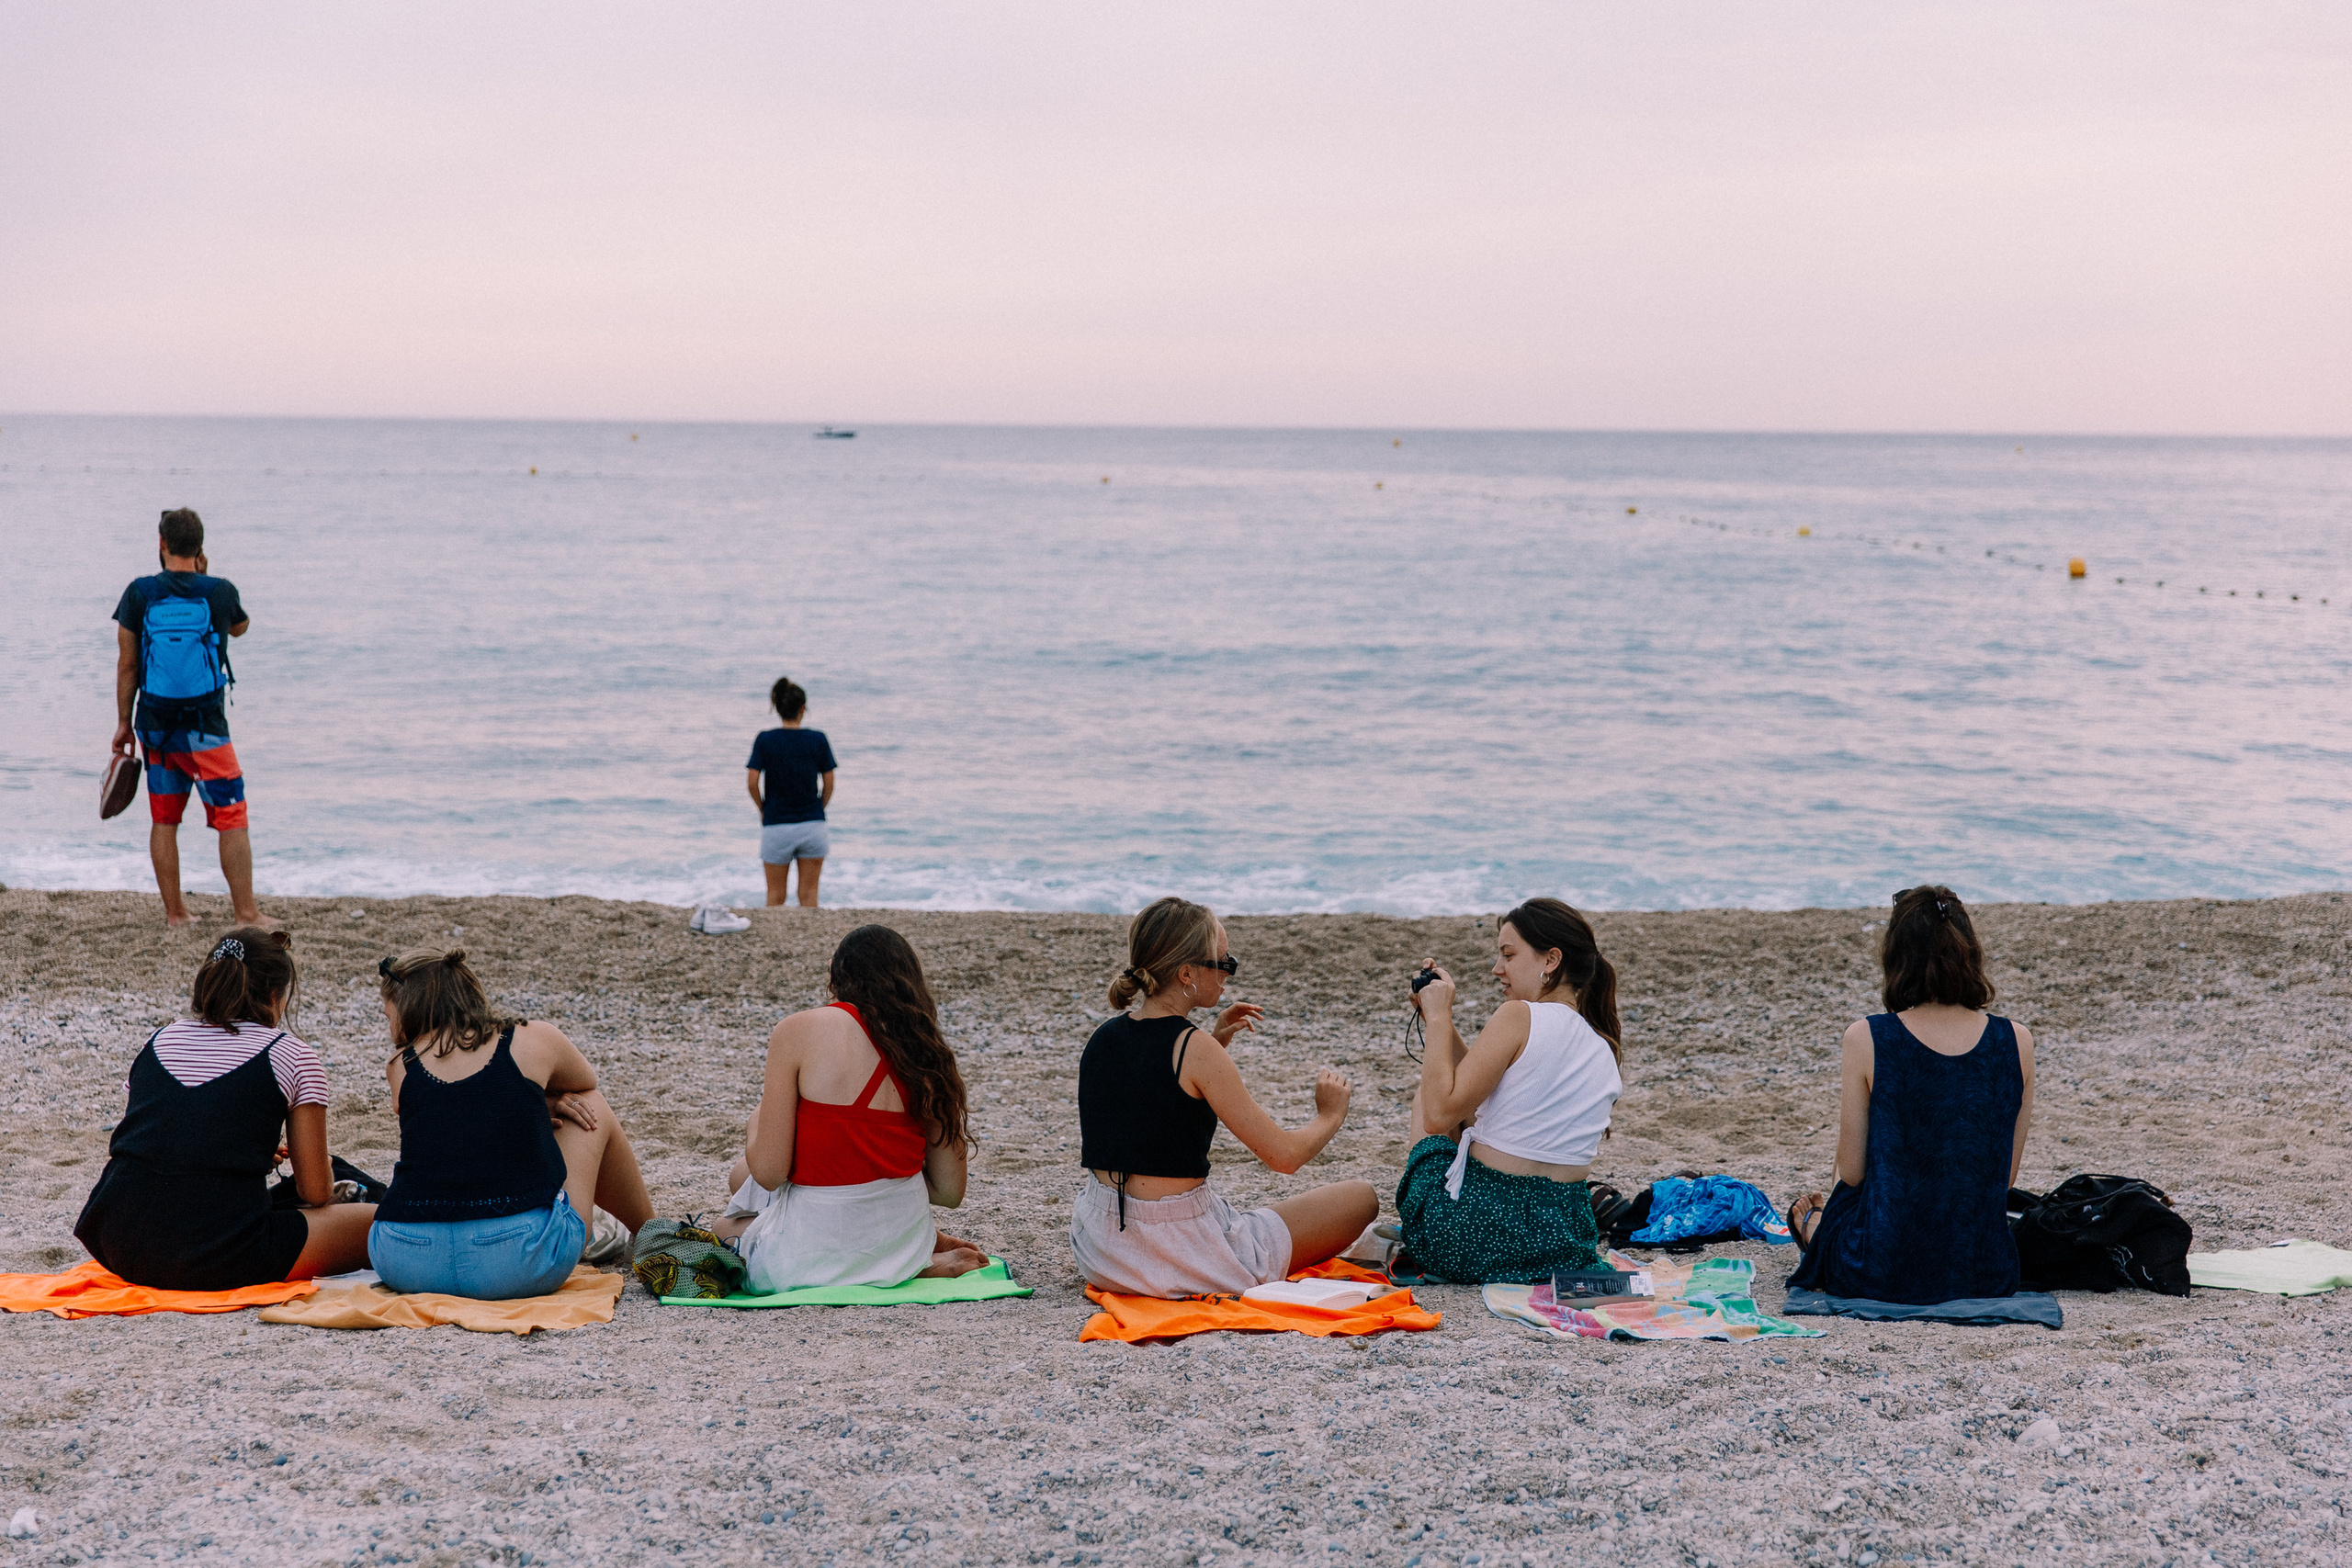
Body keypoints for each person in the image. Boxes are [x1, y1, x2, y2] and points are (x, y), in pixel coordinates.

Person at [1071, 897, 1377, 1298]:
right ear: (1186, 973)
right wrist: (1330, 1115)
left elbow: (1148, 1107)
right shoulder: (1194, 1049)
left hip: (1104, 1248)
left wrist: (1214, 1042)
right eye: (1223, 963)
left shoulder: (1104, 1037)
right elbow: (1283, 1157)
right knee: (1361, 1199)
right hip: (1180, 1251)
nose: (1229, 973)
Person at [74, 928, 375, 1289]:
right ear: (276, 995)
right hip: (216, 1254)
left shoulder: (159, 1039)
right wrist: (321, 1166)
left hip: (119, 1242)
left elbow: (169, 1137)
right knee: (383, 1225)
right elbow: (315, 1193)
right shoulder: (291, 1054)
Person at [1787, 885, 2037, 1304]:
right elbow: (2004, 1177)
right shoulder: (2017, 1040)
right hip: (1983, 1271)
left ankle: (1819, 1229)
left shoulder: (1868, 1037)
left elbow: (1852, 1173)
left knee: (1848, 1186)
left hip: (1883, 1270)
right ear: (1970, 953)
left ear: (1895, 957)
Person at [707, 924, 989, 1289]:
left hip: (809, 1255)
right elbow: (949, 1193)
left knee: (724, 1226)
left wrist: (754, 1124)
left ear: (833, 973)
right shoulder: (925, 1049)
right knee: (739, 1177)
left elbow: (771, 1172)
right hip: (903, 1237)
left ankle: (879, 1259)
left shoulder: (796, 1030)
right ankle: (910, 1256)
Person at [370, 949, 654, 1300]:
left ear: (408, 1008)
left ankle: (642, 1234)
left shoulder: (401, 1064)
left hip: (405, 1258)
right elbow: (584, 1080)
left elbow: (451, 1114)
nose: (389, 1028)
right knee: (589, 1104)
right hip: (517, 1262)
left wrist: (528, 1101)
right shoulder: (533, 1037)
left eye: (388, 1016)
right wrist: (536, 1097)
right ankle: (651, 1234)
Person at [1395, 897, 1623, 1282]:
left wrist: (1438, 1017)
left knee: (1425, 1101)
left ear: (1551, 961)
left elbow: (1439, 1115)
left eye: (1508, 955)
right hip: (1559, 1245)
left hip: (1477, 1238)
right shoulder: (1602, 1045)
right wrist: (1440, 1022)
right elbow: (1486, 1093)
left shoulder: (1518, 1015)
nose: (1497, 969)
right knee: (1460, 1102)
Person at [112, 507, 258, 926]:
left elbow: (128, 665)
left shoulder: (138, 593)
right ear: (200, 547)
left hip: (154, 725)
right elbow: (240, 628)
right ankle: (246, 913)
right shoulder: (219, 590)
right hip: (205, 728)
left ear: (161, 544)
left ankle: (176, 914)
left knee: (164, 817)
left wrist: (124, 723)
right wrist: (206, 575)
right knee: (231, 815)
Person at [746, 677, 837, 908]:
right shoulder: (818, 739)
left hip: (776, 825)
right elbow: (829, 783)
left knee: (775, 896)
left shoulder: (765, 740)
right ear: (802, 708)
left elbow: (752, 782)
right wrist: (819, 807)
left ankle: (771, 942)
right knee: (809, 896)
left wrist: (762, 808)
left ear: (777, 708)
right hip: (812, 825)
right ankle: (810, 942)